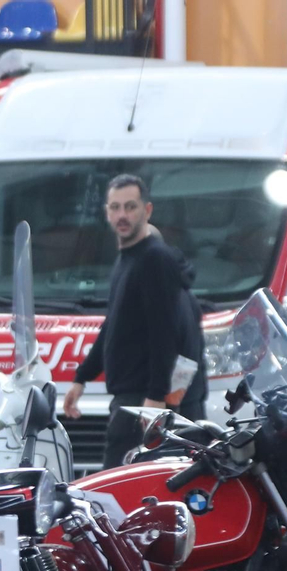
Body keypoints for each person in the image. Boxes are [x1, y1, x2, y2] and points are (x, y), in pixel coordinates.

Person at [63, 174, 206, 469]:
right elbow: (114, 325)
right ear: (106, 212)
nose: (122, 215)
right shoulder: (128, 257)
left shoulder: (154, 259)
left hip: (142, 401)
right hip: (132, 398)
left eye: (130, 207)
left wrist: (154, 397)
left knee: (116, 492)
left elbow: (164, 333)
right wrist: (82, 377)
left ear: (147, 210)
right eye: (115, 208)